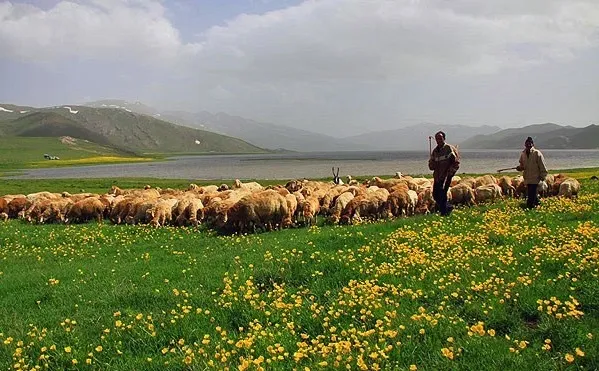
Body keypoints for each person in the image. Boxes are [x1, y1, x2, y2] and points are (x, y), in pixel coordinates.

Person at [428, 131, 460, 216]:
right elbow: (431, 167)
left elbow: (456, 163)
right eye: (437, 138)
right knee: (435, 195)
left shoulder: (449, 149)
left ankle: (444, 213)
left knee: (442, 194)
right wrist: (431, 163)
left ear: (444, 138)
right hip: (437, 177)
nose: (439, 140)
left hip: (446, 176)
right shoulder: (435, 151)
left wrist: (451, 173)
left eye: (440, 138)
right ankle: (448, 207)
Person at [516, 136, 548, 209]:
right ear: (525, 144)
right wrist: (519, 168)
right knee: (532, 192)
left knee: (531, 193)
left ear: (533, 144)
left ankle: (530, 206)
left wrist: (543, 175)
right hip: (527, 177)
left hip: (535, 177)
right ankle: (538, 203)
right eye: (527, 143)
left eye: (530, 143)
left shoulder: (537, 153)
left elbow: (542, 164)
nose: (528, 145)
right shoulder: (523, 154)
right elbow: (522, 165)